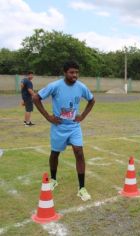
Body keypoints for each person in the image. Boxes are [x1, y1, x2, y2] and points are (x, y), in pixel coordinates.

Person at [33, 61, 95, 201]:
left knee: (79, 152)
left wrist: (82, 116)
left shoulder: (81, 87)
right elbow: (36, 98)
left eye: (77, 72)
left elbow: (92, 100)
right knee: (55, 153)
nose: (75, 75)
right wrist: (48, 116)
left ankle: (82, 188)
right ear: (65, 72)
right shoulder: (55, 86)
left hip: (74, 126)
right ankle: (53, 179)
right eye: (72, 72)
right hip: (58, 127)